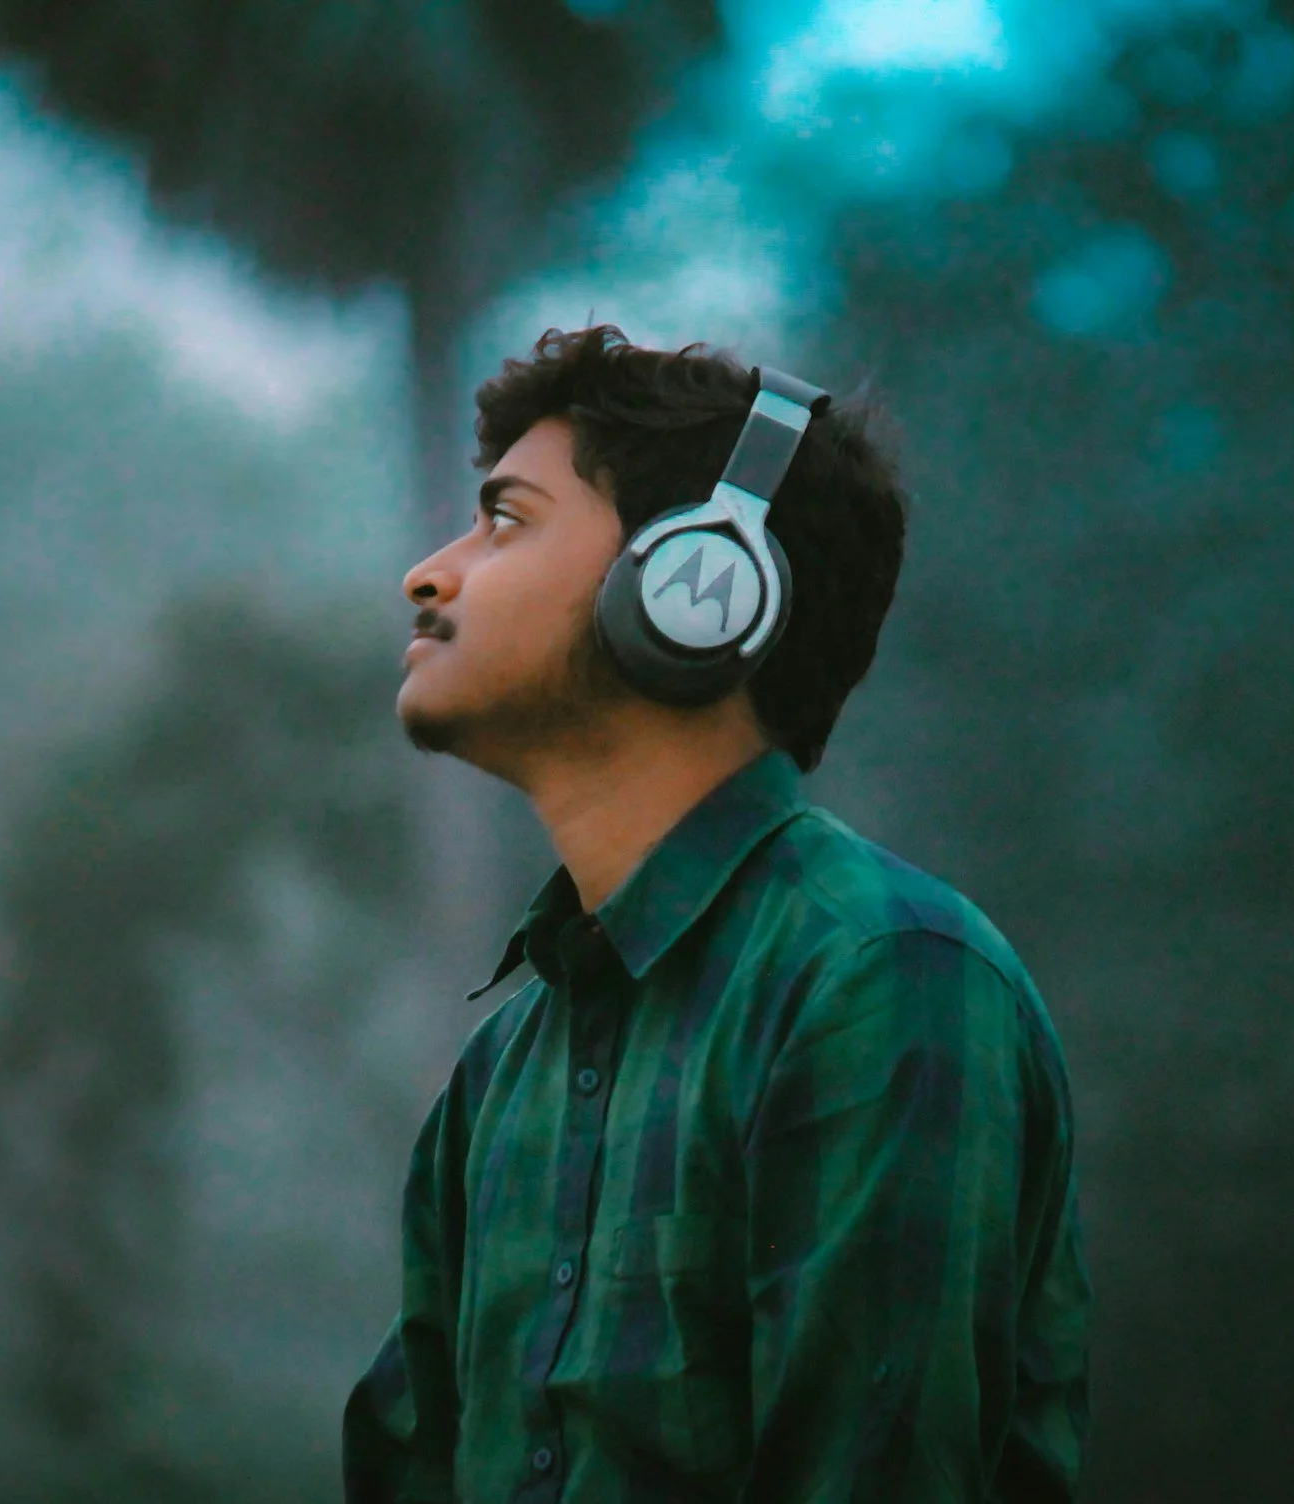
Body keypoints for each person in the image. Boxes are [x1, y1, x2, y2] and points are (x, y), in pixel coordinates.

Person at [343, 325, 1090, 1502]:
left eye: (507, 520)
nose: (429, 575)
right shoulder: (503, 1071)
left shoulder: (879, 977)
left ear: (698, 584)